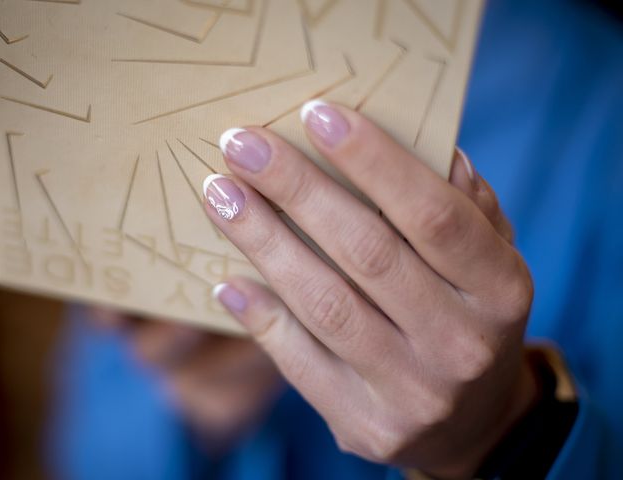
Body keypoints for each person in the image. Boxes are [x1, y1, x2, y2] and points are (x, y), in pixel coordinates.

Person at [46, 0, 623, 478]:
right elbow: (92, 445)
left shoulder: (596, 103)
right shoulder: (134, 45)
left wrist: (503, 437)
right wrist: (196, 413)